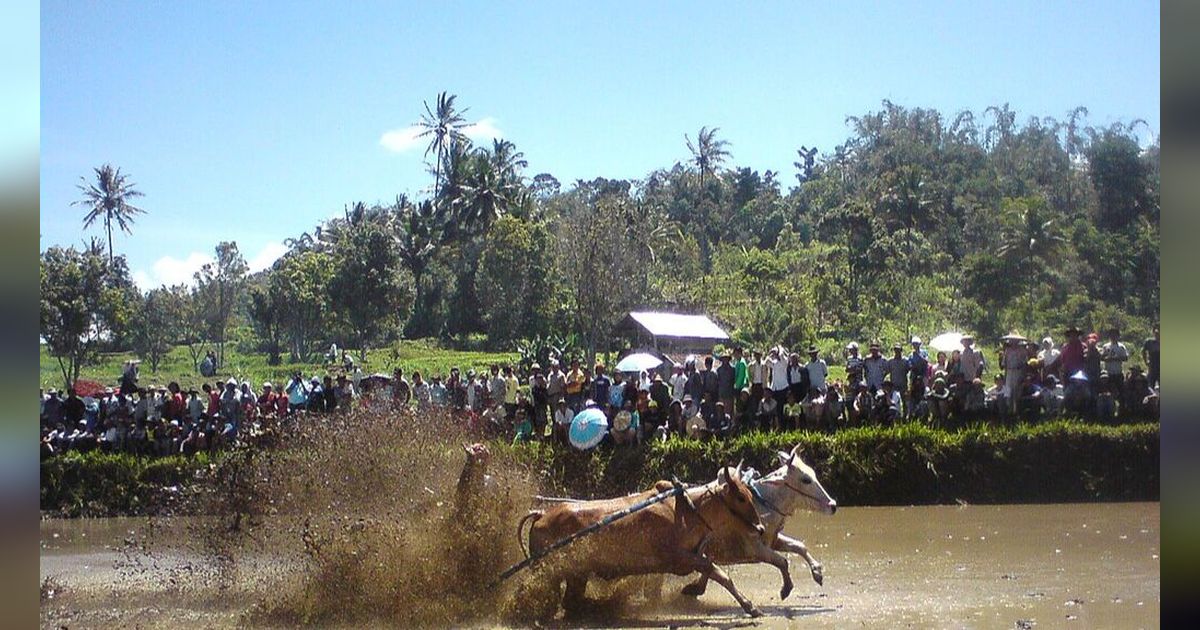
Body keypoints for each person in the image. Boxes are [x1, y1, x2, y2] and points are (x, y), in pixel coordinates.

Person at [1101, 329, 1129, 407]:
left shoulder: (1121, 347)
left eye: (1115, 335)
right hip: (1108, 373)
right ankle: (1109, 407)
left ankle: (1122, 409)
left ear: (1118, 336)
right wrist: (1107, 358)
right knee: (1108, 392)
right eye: (1111, 335)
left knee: (1121, 392)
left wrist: (1116, 358)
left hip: (1118, 372)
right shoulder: (1106, 346)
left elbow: (1126, 358)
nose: (1113, 337)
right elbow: (1102, 357)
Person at [1142, 325, 1160, 389]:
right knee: (1150, 385)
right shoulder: (1149, 342)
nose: (1158, 334)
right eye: (1156, 333)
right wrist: (1146, 361)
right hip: (1152, 366)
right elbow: (1143, 351)